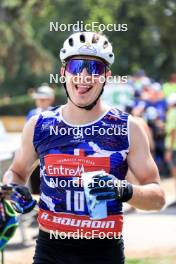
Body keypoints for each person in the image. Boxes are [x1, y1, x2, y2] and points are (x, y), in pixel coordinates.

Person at [3, 31, 165, 264]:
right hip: (50, 251)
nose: (85, 75)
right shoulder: (40, 125)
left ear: (106, 76)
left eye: (95, 68)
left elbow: (158, 197)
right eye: (77, 66)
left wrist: (123, 190)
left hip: (104, 252)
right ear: (63, 73)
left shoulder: (127, 128)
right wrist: (14, 191)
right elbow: (16, 173)